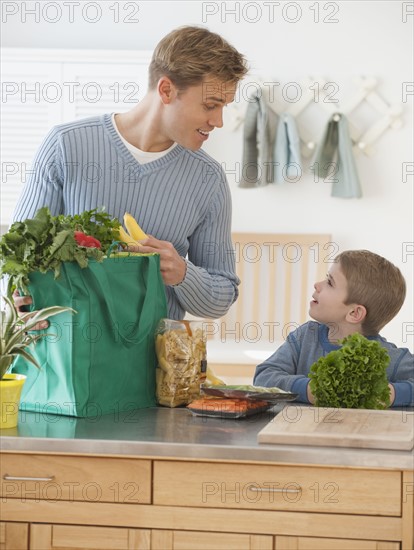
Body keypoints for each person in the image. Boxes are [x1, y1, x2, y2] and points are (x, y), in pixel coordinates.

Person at [11, 26, 248, 322]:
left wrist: (182, 273)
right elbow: (17, 256)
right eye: (210, 105)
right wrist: (22, 309)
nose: (219, 121)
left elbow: (221, 298)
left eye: (223, 107)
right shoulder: (66, 145)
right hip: (69, 354)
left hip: (155, 363)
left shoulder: (208, 178)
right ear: (166, 90)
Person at [254, 250, 413, 408]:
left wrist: (390, 394)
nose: (317, 285)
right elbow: (263, 377)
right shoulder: (305, 338)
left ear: (354, 313)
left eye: (330, 282)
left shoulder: (391, 358)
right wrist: (309, 389)